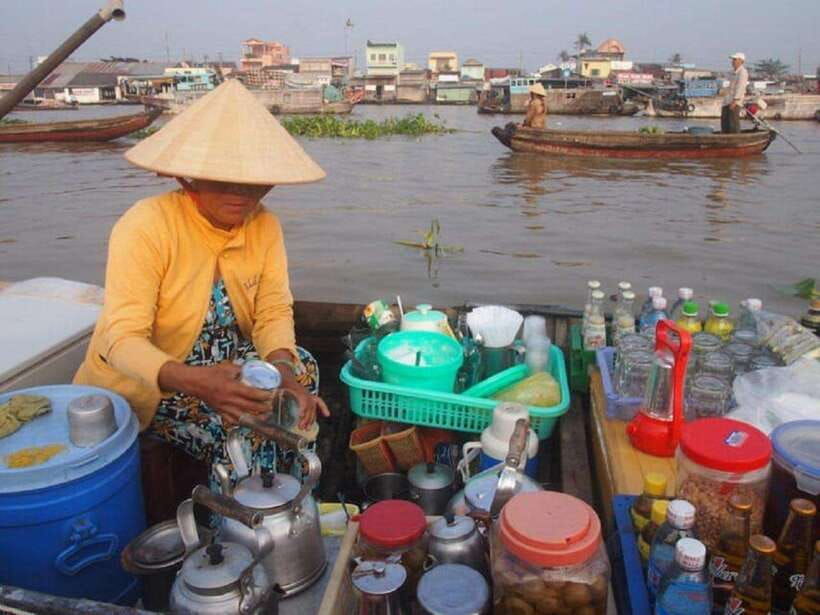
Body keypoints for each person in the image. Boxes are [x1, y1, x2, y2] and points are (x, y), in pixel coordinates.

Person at [74, 80, 330, 491]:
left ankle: (288, 495)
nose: (243, 193)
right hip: (157, 379)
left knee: (303, 368)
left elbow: (272, 311)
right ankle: (241, 528)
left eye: (255, 181)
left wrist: (284, 371)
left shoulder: (265, 225)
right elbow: (120, 340)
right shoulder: (146, 225)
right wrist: (199, 383)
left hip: (226, 365)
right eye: (223, 178)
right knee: (245, 430)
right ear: (187, 177)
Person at [721, 52, 749, 134]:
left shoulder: (743, 72)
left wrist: (735, 101)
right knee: (725, 122)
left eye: (735, 59)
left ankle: (735, 138)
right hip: (727, 100)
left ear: (741, 61)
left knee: (733, 123)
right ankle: (725, 137)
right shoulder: (732, 72)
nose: (733, 61)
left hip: (735, 102)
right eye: (733, 60)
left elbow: (741, 87)